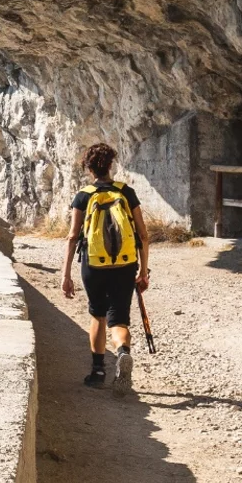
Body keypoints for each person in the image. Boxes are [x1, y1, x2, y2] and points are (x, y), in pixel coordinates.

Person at [61, 143, 150, 393]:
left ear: (89, 169)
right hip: (125, 264)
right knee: (119, 317)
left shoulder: (83, 195)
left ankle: (98, 371)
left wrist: (66, 275)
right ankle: (122, 351)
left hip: (94, 263)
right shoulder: (126, 192)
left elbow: (72, 236)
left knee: (98, 314)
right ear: (111, 165)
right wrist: (143, 271)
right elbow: (143, 235)